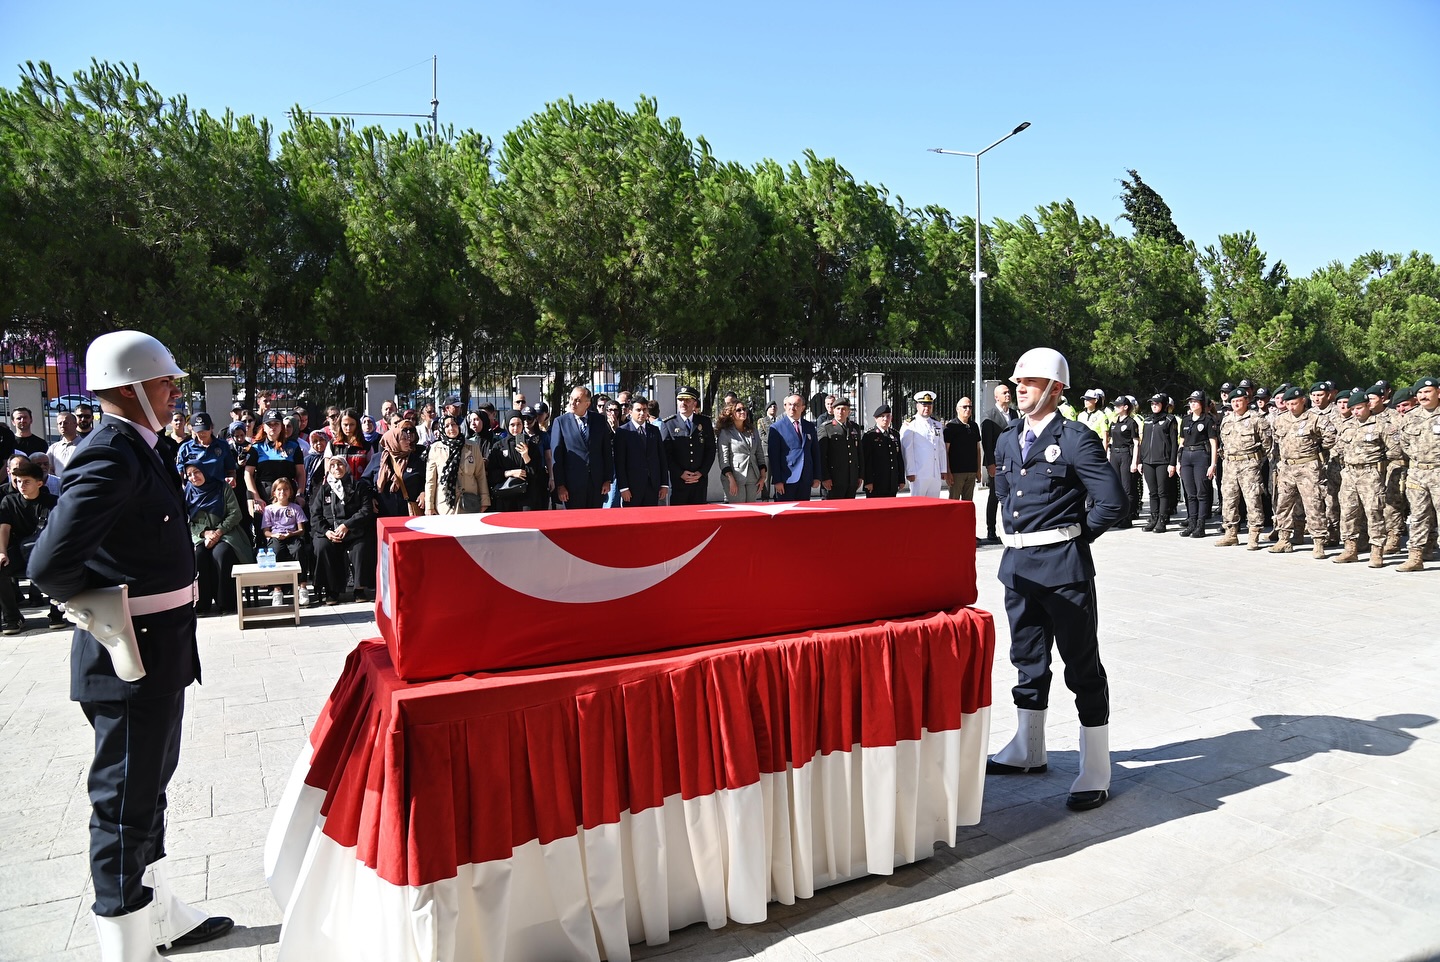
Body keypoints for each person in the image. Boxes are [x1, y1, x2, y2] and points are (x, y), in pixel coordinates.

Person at [28, 331, 233, 960]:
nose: (176, 393)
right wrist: (103, 608)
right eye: (166, 383)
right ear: (130, 388)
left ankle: (157, 909)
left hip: (158, 651)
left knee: (149, 788)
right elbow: (49, 564)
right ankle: (124, 938)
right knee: (122, 802)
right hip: (130, 655)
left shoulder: (138, 448)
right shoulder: (111, 455)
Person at [986, 347, 1126, 812]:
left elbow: (1111, 501)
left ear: (1055, 389)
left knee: (1082, 665)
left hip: (1064, 571)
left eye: (1029, 381)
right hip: (1019, 568)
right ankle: (1029, 749)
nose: (1019, 387)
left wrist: (1072, 539)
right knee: (1026, 659)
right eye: (1017, 381)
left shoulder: (1076, 438)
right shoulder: (1008, 439)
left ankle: (1096, 767)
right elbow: (1005, 491)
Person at [1331, 390, 1398, 568]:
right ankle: (1350, 549)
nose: (1355, 412)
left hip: (1370, 474)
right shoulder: (1347, 425)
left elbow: (1395, 450)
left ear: (1368, 405)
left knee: (1374, 512)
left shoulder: (1381, 425)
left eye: (1359, 408)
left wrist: (1380, 466)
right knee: (1348, 512)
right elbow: (1338, 448)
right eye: (1352, 409)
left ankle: (1377, 551)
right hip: (1349, 474)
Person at [1269, 386, 1338, 557]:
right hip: (1286, 468)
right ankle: (1284, 539)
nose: (1291, 407)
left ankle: (1318, 541)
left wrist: (1318, 452)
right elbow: (1277, 439)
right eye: (1288, 404)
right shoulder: (1280, 419)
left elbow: (1331, 437)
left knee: (1313, 505)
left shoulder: (1314, 418)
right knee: (1283, 504)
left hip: (1308, 467)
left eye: (1294, 403)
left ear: (1303, 401)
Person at [0, 459, 64, 632]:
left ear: (39, 483)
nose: (21, 485)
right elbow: (4, 529)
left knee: (60, 566)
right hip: (21, 552)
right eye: (19, 481)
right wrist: (2, 552)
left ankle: (56, 614)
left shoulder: (53, 502)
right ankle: (13, 617)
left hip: (47, 552)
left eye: (27, 481)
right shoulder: (9, 501)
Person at [184, 462, 254, 615]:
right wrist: (204, 533)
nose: (194, 477)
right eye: (189, 474)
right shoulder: (187, 493)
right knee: (198, 555)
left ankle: (226, 603)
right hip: (200, 535)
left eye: (196, 472)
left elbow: (235, 513)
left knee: (221, 554)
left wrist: (218, 532)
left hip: (226, 532)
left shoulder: (222, 487)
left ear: (205, 471)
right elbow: (186, 520)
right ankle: (202, 604)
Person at [311, 453, 376, 605]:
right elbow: (315, 515)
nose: (336, 468)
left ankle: (359, 589)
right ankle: (332, 591)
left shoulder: (359, 486)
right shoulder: (324, 489)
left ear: (346, 467)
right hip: (330, 532)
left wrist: (348, 525)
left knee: (361, 546)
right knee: (322, 547)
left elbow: (366, 510)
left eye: (339, 464)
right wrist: (327, 532)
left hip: (353, 530)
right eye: (332, 466)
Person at [1214, 386, 1273, 550]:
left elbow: (1268, 445)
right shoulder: (1227, 420)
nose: (1236, 404)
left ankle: (1254, 534)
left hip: (1249, 465)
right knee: (1229, 500)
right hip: (1230, 465)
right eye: (1233, 401)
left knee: (1253, 499)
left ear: (1247, 401)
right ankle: (1231, 533)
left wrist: (1257, 462)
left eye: (1239, 401)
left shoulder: (1256, 419)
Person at [1396, 376, 1440, 572]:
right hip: (1417, 472)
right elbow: (1404, 442)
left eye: (1427, 392)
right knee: (1418, 516)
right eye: (1420, 393)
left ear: (1438, 393)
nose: (1423, 396)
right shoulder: (1410, 417)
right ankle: (1415, 557)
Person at [243, 413, 305, 543]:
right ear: (263, 427)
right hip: (264, 498)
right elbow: (248, 473)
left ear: (281, 426)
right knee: (263, 538)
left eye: (276, 424)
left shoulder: (293, 447)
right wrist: (256, 498)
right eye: (269, 424)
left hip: (288, 496)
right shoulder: (256, 448)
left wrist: (300, 493)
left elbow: (300, 473)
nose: (273, 427)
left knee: (290, 536)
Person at [551, 386, 614, 509]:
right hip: (572, 485)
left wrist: (607, 479)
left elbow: (606, 451)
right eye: (571, 399)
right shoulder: (560, 422)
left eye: (577, 400)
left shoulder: (599, 420)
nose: (572, 403)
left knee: (595, 522)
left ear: (587, 403)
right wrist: (560, 485)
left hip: (596, 484)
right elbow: (557, 457)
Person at [424, 414, 490, 515]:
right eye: (447, 426)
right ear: (442, 429)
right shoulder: (435, 449)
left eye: (453, 424)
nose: (451, 428)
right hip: (445, 506)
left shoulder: (472, 446)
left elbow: (480, 475)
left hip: (469, 504)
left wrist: (485, 501)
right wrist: (429, 506)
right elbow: (431, 480)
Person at [662, 385, 716, 506]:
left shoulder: (704, 422)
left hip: (699, 481)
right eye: (680, 400)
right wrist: (680, 473)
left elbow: (710, 450)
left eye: (687, 400)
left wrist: (702, 472)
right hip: (679, 481)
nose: (683, 403)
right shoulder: (669, 424)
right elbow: (667, 454)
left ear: (694, 403)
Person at [981, 384, 1020, 544]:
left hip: (1013, 463)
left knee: (1012, 496)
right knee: (995, 496)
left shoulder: (1014, 413)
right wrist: (991, 464)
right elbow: (987, 444)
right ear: (996, 397)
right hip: (997, 464)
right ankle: (991, 528)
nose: (1008, 395)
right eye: (1004, 393)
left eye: (1009, 392)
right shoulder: (989, 416)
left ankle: (1009, 526)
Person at [1177, 391, 1218, 538]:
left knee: (1201, 492)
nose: (1192, 403)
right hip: (1186, 456)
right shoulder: (1186, 420)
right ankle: (1192, 523)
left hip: (1201, 455)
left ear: (1202, 403)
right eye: (1191, 401)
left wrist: (1213, 464)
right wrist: (1178, 461)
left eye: (1195, 401)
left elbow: (1213, 443)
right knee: (1190, 493)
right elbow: (1181, 442)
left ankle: (1201, 525)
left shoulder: (1208, 420)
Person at [615, 397, 671, 507]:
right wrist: (624, 488)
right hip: (632, 488)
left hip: (652, 485)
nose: (642, 413)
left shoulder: (654, 430)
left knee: (651, 520)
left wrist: (664, 484)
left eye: (644, 410)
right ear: (630, 412)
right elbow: (619, 462)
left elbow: (661, 458)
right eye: (638, 410)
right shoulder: (623, 432)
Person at [366, 421, 426, 518]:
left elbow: (425, 480)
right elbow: (365, 482)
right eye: (403, 439)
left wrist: (423, 492)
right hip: (382, 512)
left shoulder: (415, 459)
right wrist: (370, 497)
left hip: (407, 513)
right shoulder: (378, 459)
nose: (408, 441)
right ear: (393, 441)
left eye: (408, 439)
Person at [1138, 394, 1178, 532]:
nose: (1154, 405)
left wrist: (1172, 463)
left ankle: (1162, 519)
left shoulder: (1170, 420)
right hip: (1148, 460)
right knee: (1152, 492)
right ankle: (1153, 517)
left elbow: (1174, 443)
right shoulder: (1147, 420)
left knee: (1163, 492)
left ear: (1164, 404)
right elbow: (1143, 442)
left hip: (1163, 461)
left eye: (1157, 403)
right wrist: (1140, 461)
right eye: (1152, 403)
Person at [486, 413, 542, 512]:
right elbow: (491, 475)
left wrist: (525, 455)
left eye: (519, 424)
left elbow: (536, 474)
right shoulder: (499, 447)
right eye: (512, 425)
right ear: (507, 425)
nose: (516, 428)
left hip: (526, 497)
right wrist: (509, 473)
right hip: (505, 496)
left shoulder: (532, 446)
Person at [767, 394, 818, 502]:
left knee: (803, 515)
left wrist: (817, 477)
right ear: (785, 406)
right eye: (789, 404)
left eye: (796, 405)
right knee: (786, 515)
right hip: (786, 479)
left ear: (803, 408)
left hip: (805, 479)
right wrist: (777, 480)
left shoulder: (809, 427)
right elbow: (774, 457)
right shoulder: (776, 428)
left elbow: (815, 453)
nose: (792, 408)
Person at [715, 398, 766, 504]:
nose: (743, 412)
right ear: (731, 414)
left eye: (744, 409)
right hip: (735, 476)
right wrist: (730, 478)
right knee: (739, 509)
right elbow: (723, 458)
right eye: (739, 410)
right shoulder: (726, 432)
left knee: (752, 510)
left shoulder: (752, 430)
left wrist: (763, 477)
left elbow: (759, 453)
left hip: (753, 475)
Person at [900, 390, 947, 498]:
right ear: (917, 406)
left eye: (929, 405)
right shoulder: (910, 424)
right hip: (919, 473)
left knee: (934, 505)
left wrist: (943, 469)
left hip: (935, 472)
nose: (927, 408)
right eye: (924, 405)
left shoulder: (937, 424)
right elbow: (907, 449)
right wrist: (910, 471)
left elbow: (941, 448)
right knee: (918, 505)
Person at [816, 397, 864, 500]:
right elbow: (821, 455)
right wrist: (825, 477)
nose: (840, 412)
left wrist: (860, 475)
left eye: (843, 409)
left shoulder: (854, 428)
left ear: (848, 411)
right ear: (833, 410)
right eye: (838, 409)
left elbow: (859, 453)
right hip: (833, 480)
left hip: (851, 479)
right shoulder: (826, 428)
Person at [175, 412, 237, 487]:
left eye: (205, 430)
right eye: (199, 430)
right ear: (192, 430)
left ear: (211, 428)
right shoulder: (185, 448)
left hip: (218, 491)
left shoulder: (222, 445)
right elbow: (179, 472)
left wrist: (231, 478)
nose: (202, 433)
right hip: (195, 492)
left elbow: (231, 470)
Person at [1105, 397, 1140, 528]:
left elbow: (1136, 443)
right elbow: (1110, 441)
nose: (1115, 407)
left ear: (1125, 407)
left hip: (1126, 454)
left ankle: (1127, 517)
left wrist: (1134, 462)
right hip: (1115, 454)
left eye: (1118, 405)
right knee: (1117, 487)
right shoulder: (1114, 422)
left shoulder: (1131, 423)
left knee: (1127, 488)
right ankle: (1118, 517)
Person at [862, 404, 905, 498]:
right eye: (882, 416)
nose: (885, 419)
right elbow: (866, 461)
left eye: (888, 416)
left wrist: (901, 479)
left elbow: (898, 458)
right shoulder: (869, 436)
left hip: (891, 482)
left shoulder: (895, 434)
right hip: (876, 483)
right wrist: (868, 481)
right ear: (876, 419)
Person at [943, 398, 982, 501]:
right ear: (957, 409)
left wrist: (978, 470)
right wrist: (948, 471)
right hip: (956, 473)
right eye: (964, 407)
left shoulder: (974, 426)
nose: (968, 409)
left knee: (968, 503)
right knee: (953, 503)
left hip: (971, 471)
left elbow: (978, 449)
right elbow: (946, 451)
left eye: (970, 407)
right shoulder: (950, 427)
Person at [47, 412, 83, 478]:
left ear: (75, 425)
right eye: (59, 423)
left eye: (66, 423)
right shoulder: (53, 448)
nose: (62, 425)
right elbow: (48, 468)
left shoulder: (85, 445)